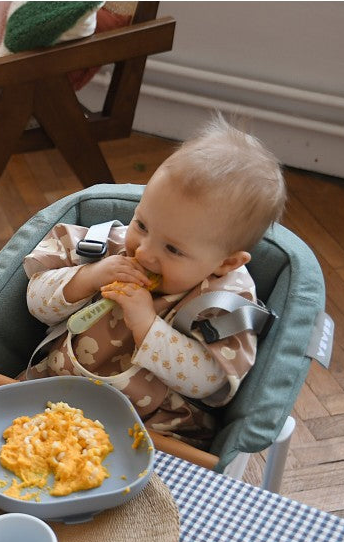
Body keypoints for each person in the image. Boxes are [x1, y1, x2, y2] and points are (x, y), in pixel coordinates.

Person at [21, 113, 286, 443]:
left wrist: (146, 324)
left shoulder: (225, 302)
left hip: (149, 430)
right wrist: (88, 277)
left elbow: (209, 382)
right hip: (50, 389)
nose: (143, 253)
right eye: (142, 225)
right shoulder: (106, 247)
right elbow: (36, 304)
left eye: (173, 249)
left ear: (226, 262)